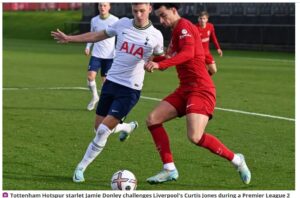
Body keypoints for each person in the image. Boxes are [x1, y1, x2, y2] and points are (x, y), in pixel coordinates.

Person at [51, 3, 164, 183]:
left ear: (150, 9)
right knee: (98, 128)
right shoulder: (123, 24)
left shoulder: (156, 36)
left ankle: (81, 167)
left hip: (130, 89)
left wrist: (153, 63)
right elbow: (97, 35)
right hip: (111, 83)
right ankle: (126, 127)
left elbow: (159, 55)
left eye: (142, 10)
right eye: (135, 11)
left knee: (103, 131)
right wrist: (70, 38)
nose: (139, 14)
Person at [144, 3, 251, 185]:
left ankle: (237, 160)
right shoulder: (176, 31)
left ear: (174, 11)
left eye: (163, 15)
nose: (162, 21)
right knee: (152, 119)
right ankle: (169, 169)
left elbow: (187, 54)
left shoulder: (184, 26)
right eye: (159, 17)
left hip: (201, 89)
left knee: (195, 136)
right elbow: (171, 56)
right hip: (185, 89)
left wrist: (160, 65)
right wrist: (151, 59)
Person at [85, 3, 119, 111]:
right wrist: (88, 47)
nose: (102, 7)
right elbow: (92, 34)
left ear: (109, 7)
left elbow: (120, 36)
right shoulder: (94, 20)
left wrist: (119, 51)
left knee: (106, 82)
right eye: (100, 5)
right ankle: (95, 96)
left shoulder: (115, 20)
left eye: (104, 5)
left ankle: (105, 104)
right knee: (90, 77)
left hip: (109, 56)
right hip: (96, 54)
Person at [195, 11, 222, 76]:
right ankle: (202, 82)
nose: (202, 20)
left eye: (204, 18)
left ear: (207, 19)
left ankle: (204, 80)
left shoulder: (210, 26)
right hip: (198, 54)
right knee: (200, 71)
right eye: (200, 18)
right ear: (198, 19)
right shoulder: (194, 28)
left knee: (214, 70)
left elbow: (214, 38)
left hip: (207, 53)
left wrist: (218, 48)